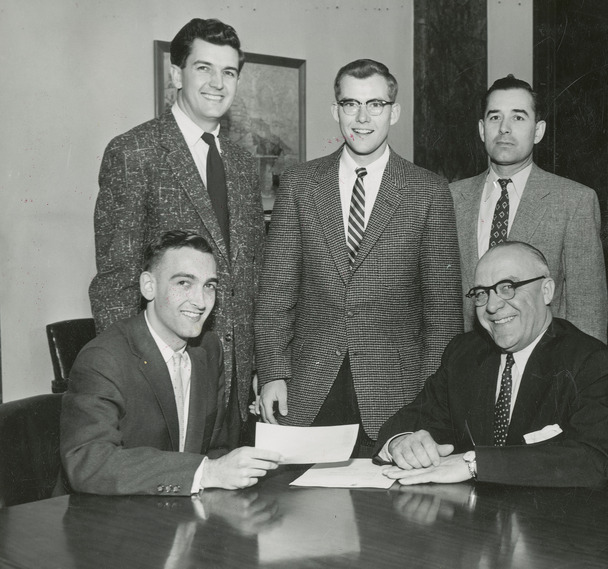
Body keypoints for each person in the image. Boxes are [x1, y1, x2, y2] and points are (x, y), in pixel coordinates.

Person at [253, 59, 462, 457]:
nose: (362, 118)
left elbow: (443, 316)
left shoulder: (428, 191)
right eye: (351, 104)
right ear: (336, 111)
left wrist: (430, 401)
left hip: (397, 395)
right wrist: (273, 373)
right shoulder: (300, 184)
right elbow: (276, 293)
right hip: (308, 387)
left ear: (394, 112)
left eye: (376, 105)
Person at [88, 18, 263, 445]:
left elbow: (252, 274)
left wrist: (261, 366)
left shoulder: (242, 162)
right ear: (176, 73)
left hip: (236, 379)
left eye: (229, 72)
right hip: (162, 375)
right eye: (203, 68)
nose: (217, 83)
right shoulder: (134, 152)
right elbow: (115, 281)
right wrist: (131, 377)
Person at [377, 241, 608, 486]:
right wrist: (403, 443)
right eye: (482, 293)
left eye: (508, 287)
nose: (492, 306)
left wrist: (476, 464)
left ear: (546, 291)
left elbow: (593, 460)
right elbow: (408, 422)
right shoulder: (464, 353)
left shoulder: (589, 360)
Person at [62, 231, 280, 495]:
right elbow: (89, 462)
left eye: (209, 286)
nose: (200, 302)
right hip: (105, 520)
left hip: (175, 513)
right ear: (148, 286)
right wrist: (207, 472)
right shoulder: (103, 358)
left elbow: (215, 448)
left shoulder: (209, 350)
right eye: (184, 283)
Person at [450, 75, 607, 342]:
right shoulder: (451, 199)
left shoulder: (574, 201)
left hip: (543, 372)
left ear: (538, 131)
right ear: (481, 129)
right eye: (495, 117)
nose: (504, 129)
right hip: (466, 367)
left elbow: (588, 313)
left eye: (518, 117)